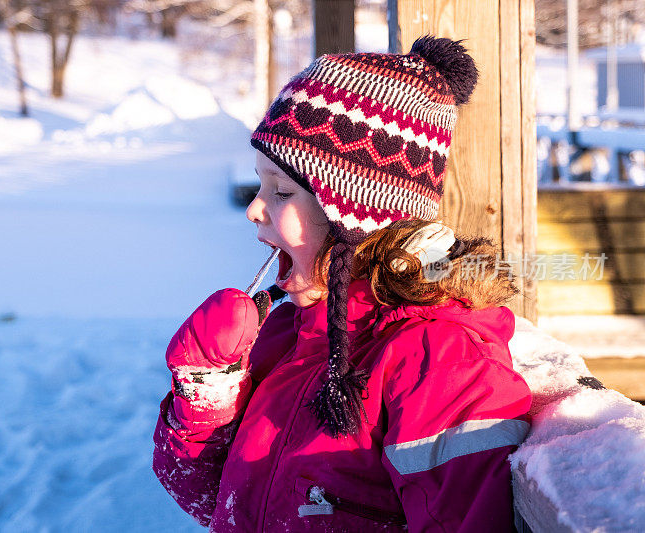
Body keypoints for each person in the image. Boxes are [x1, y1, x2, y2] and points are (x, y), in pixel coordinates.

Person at [152, 35, 532, 532]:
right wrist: (206, 394)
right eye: (260, 184)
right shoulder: (287, 336)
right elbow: (214, 502)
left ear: (358, 214)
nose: (254, 209)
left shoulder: (435, 362)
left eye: (282, 190)